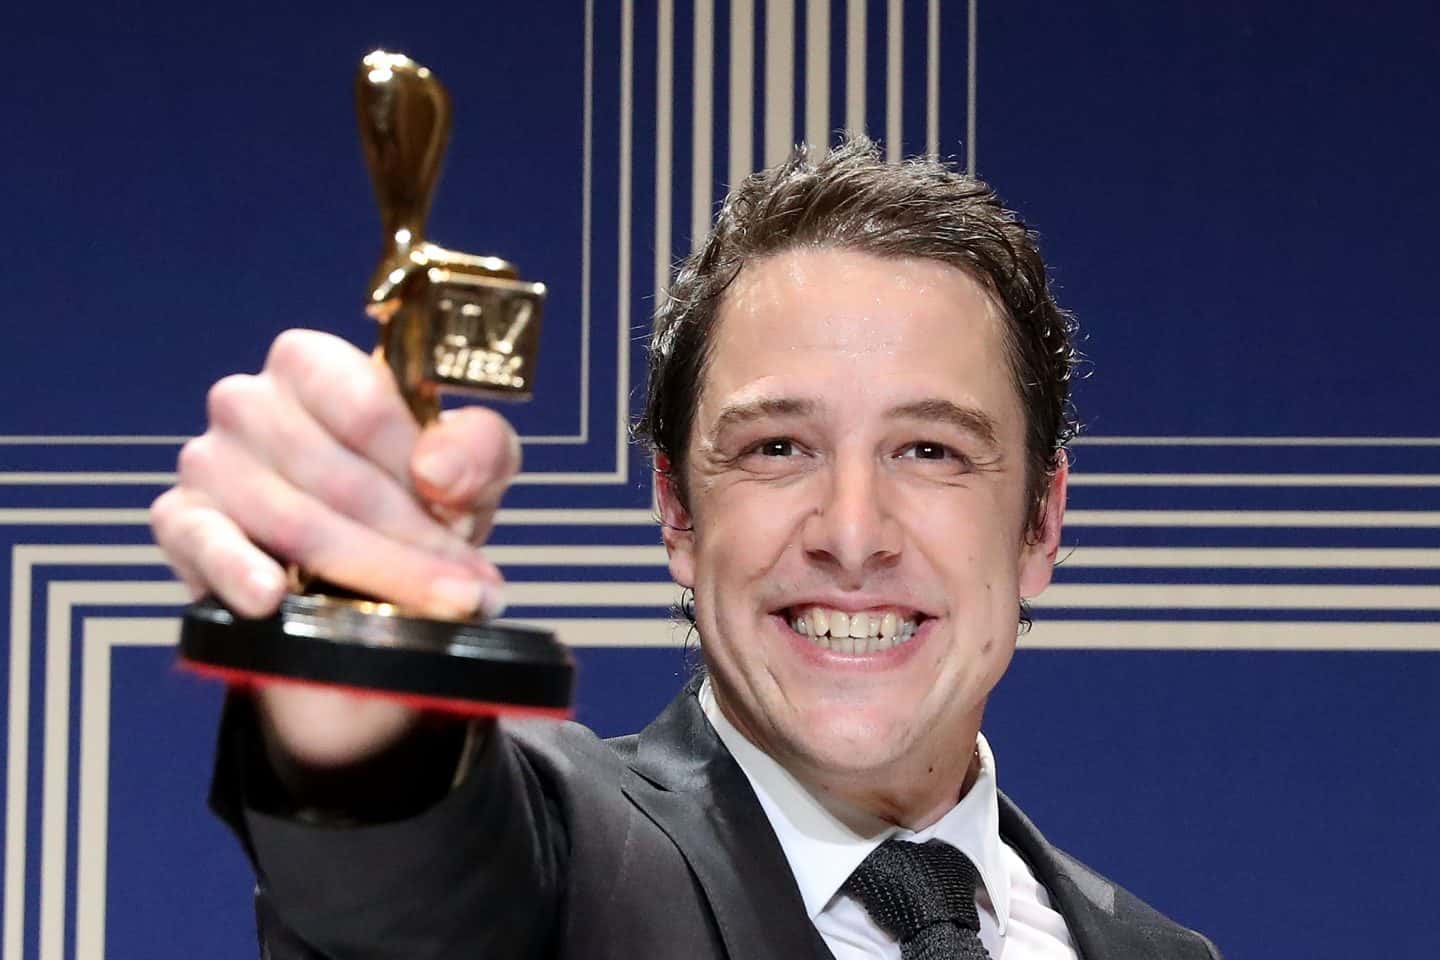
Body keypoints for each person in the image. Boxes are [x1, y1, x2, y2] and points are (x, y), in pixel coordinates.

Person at [152, 137, 1221, 958]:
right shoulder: (567, 873)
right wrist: (355, 663)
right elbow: (406, 884)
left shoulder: (1157, 952)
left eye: (931, 450)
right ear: (677, 510)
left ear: (1041, 522)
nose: (852, 534)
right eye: (778, 447)